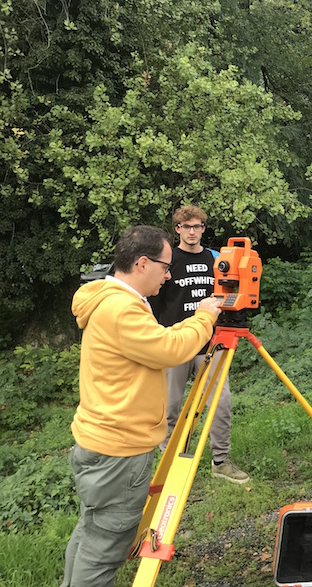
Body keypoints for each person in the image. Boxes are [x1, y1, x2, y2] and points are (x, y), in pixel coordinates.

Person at [62, 225, 221, 587]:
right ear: (143, 263)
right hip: (119, 451)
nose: (169, 275)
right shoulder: (122, 309)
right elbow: (170, 349)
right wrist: (205, 317)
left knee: (92, 533)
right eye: (166, 267)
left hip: (103, 441)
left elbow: (156, 344)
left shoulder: (112, 300)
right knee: (105, 549)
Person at [150, 205, 249, 484]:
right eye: (186, 227)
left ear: (204, 229)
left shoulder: (215, 259)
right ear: (177, 229)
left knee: (221, 403)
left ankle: (221, 461)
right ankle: (169, 460)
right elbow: (155, 301)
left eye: (197, 226)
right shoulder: (168, 260)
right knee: (171, 406)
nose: (192, 232)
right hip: (176, 343)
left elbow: (229, 293)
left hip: (211, 343)